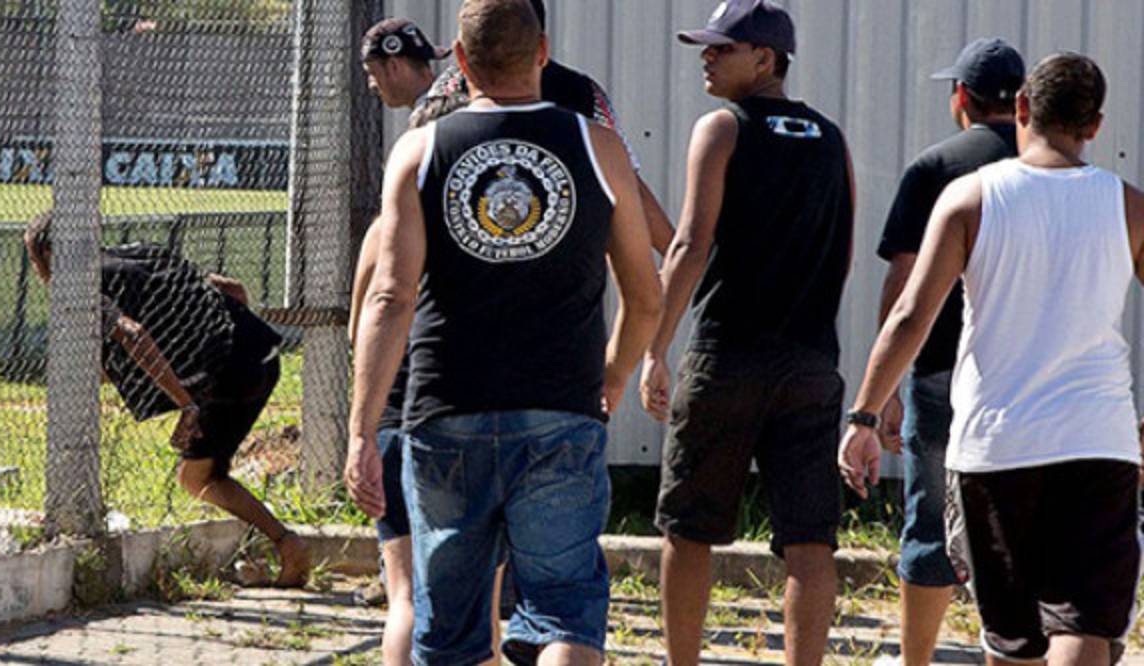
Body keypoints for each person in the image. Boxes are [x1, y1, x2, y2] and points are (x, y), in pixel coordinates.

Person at [347, 0, 661, 663]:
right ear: (542, 52)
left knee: (453, 628)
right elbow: (646, 295)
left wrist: (361, 429)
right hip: (560, 404)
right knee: (563, 610)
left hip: (444, 412)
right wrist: (614, 372)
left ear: (459, 64)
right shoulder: (597, 146)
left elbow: (390, 294)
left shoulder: (420, 149)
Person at [840, 52, 1144, 666]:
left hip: (996, 442)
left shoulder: (969, 199)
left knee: (1013, 634)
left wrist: (866, 415)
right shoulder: (1129, 207)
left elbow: (909, 317)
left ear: (1024, 109)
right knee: (1084, 625)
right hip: (1097, 437)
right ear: (1095, 126)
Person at [639, 2, 854, 664]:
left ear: (766, 59)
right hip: (811, 362)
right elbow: (841, 251)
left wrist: (654, 347)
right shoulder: (831, 137)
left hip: (727, 357)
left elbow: (689, 244)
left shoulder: (723, 129)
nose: (707, 57)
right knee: (809, 538)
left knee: (688, 528)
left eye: (721, 48)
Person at [23, 210, 310, 587]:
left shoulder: (85, 286)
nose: (37, 271)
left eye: (33, 259)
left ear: (48, 253)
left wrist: (189, 404)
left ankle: (286, 544)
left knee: (199, 478)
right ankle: (272, 542)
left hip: (232, 373)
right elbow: (232, 289)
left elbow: (135, 336)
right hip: (260, 350)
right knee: (207, 470)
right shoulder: (138, 252)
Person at [356, 16, 504, 665]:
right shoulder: (489, 230)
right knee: (480, 605)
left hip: (396, 414)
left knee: (407, 595)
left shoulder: (388, 224)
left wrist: (362, 424)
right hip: (465, 413)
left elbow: (370, 315)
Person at [871, 38, 1023, 666]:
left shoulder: (935, 167)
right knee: (1015, 531)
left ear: (961, 97)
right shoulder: (1050, 170)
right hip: (1018, 375)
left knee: (929, 519)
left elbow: (904, 281)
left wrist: (880, 391)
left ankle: (916, 660)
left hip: (936, 366)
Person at [416, 0, 675, 255]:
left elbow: (414, 187)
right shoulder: (583, 93)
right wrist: (680, 259)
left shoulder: (580, 93)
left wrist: (678, 254)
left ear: (462, 51)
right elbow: (625, 186)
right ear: (542, 46)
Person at [361, 18, 451, 113]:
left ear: (394, 67)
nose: (371, 85)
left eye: (373, 73)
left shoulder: (432, 119)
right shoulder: (454, 102)